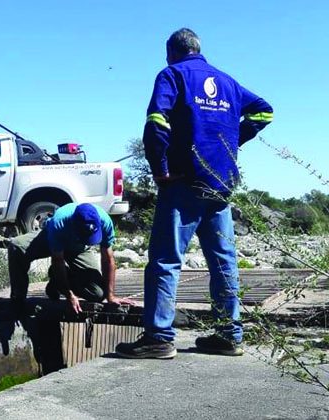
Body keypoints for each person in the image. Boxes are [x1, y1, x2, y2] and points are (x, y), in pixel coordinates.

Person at [116, 28, 273, 358]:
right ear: (199, 49)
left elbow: (157, 122)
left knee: (165, 261)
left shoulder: (172, 75)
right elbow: (264, 111)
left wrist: (159, 168)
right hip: (221, 184)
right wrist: (229, 140)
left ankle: (159, 338)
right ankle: (229, 334)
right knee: (224, 261)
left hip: (183, 182)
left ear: (171, 52)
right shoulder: (227, 82)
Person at [8, 203, 136, 315]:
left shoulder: (105, 221)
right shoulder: (59, 223)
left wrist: (111, 296)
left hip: (79, 248)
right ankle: (17, 301)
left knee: (97, 293)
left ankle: (57, 282)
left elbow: (108, 259)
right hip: (51, 239)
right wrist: (69, 295)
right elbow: (58, 260)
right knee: (16, 246)